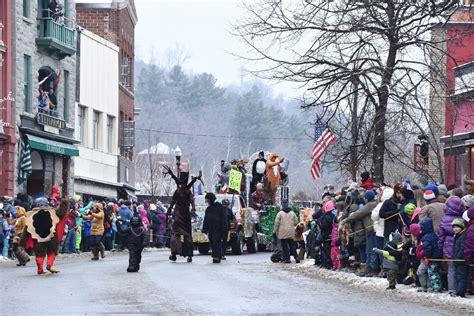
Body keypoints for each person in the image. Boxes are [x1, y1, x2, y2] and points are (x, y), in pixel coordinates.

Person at [20, 198, 69, 274]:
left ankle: (40, 269)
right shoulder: (53, 212)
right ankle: (49, 264)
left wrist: (22, 244)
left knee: (39, 253)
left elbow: (26, 231)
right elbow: (62, 213)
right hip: (52, 237)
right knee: (52, 251)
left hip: (38, 238)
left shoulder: (31, 215)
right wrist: (64, 203)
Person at [438, 196, 465, 294]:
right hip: (461, 248)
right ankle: (462, 288)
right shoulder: (463, 219)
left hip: (448, 247)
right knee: (462, 269)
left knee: (452, 269)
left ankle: (452, 289)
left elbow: (441, 236)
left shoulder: (444, 219)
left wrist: (440, 248)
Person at [168, 171, 197, 263]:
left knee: (175, 234)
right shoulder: (187, 191)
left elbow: (173, 202)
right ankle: (188, 254)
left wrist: (169, 210)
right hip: (184, 215)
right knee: (186, 235)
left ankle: (174, 253)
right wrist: (193, 210)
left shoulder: (178, 191)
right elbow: (192, 202)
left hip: (178, 214)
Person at [418, 218, 442, 293]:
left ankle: (434, 287)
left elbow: (428, 248)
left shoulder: (426, 237)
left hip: (431, 258)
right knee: (432, 272)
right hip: (436, 257)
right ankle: (431, 286)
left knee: (430, 273)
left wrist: (427, 256)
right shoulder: (433, 235)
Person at [202, 193, 227, 263]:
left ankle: (217, 256)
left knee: (217, 242)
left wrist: (224, 228)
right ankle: (215, 254)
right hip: (211, 229)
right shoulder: (208, 209)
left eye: (207, 200)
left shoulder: (220, 207)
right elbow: (206, 219)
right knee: (212, 242)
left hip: (218, 228)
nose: (207, 202)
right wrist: (204, 229)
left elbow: (223, 218)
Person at [452, 219, 468, 297]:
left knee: (462, 276)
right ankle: (459, 290)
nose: (455, 229)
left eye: (457, 227)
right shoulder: (457, 236)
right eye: (454, 227)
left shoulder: (462, 236)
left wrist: (458, 257)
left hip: (461, 260)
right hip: (457, 260)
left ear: (461, 227)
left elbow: (462, 248)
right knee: (458, 275)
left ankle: (461, 292)